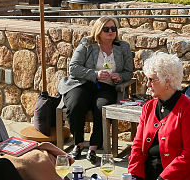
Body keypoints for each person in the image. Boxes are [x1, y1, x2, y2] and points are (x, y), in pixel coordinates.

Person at [126, 52, 190, 180]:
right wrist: (134, 176)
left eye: (152, 80)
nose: (147, 84)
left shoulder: (189, 110)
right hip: (148, 179)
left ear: (168, 80)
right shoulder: (149, 107)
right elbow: (137, 145)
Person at [57, 17, 134, 161]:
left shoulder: (123, 47)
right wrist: (95, 74)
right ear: (99, 31)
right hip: (83, 83)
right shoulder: (87, 43)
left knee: (101, 108)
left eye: (113, 28)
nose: (111, 31)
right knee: (76, 104)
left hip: (107, 86)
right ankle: (78, 143)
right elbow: (73, 68)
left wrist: (120, 76)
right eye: (107, 29)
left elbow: (129, 72)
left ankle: (93, 147)